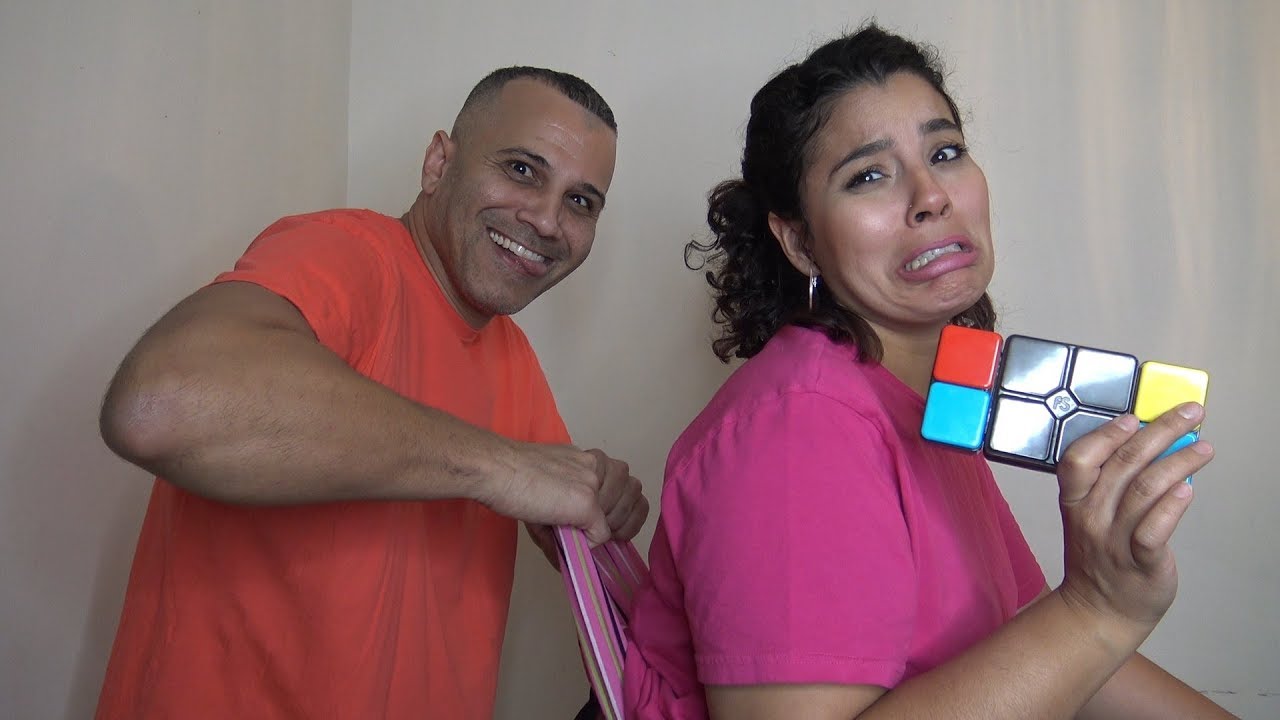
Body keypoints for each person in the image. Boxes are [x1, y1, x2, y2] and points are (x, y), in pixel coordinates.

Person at [623, 24, 1234, 720]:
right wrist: (1099, 610)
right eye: (868, 176)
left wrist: (1096, 612)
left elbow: (1027, 632)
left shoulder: (932, 404)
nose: (931, 195)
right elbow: (1073, 627)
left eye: (945, 153)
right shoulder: (797, 427)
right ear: (799, 242)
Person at [94, 66, 648, 720]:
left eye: (580, 202)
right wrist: (501, 467)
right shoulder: (347, 252)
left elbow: (556, 504)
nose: (548, 220)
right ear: (439, 163)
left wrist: (595, 504)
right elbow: (156, 406)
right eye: (522, 170)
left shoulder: (511, 354)